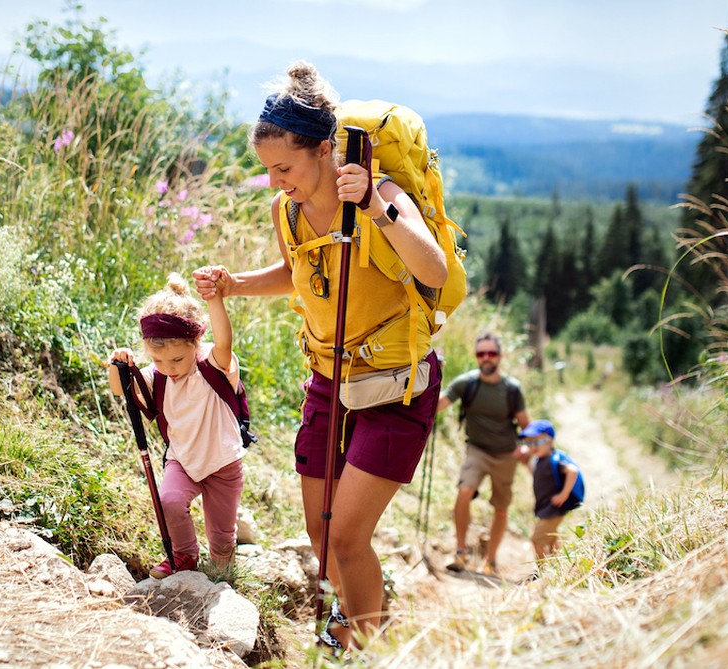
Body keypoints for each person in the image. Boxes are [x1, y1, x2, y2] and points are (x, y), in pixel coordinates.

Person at [193, 60, 447, 649]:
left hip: (395, 384)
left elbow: (432, 267)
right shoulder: (287, 209)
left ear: (325, 150)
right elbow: (296, 272)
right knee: (320, 530)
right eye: (268, 170)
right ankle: (347, 632)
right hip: (328, 380)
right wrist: (234, 285)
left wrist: (380, 212)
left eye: (284, 167)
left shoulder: (379, 194)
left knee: (348, 537)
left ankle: (366, 647)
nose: (276, 180)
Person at [108, 272, 244, 579]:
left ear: (196, 344)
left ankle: (223, 572)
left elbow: (224, 339)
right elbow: (120, 389)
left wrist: (214, 299)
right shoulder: (157, 377)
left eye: (177, 360)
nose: (169, 369)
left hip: (223, 462)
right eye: (158, 361)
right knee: (169, 500)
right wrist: (117, 364)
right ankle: (184, 557)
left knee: (222, 535)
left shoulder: (213, 364)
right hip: (182, 458)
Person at [436, 332, 530, 575]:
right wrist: (431, 377)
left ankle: (491, 560)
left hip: (506, 455)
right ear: (476, 357)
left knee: (500, 508)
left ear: (500, 356)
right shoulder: (466, 383)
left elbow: (526, 426)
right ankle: (461, 552)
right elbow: (439, 404)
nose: (486, 358)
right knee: (464, 490)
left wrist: (529, 449)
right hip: (477, 450)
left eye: (491, 353)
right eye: (481, 354)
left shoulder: (512, 389)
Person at [517, 419, 584, 561]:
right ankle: (558, 564)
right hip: (546, 507)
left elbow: (572, 471)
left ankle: (543, 569)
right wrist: (526, 464)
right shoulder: (540, 461)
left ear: (550, 441)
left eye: (537, 442)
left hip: (554, 508)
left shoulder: (554, 460)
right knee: (552, 538)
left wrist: (563, 495)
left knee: (536, 540)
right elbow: (537, 476)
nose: (533, 447)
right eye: (529, 443)